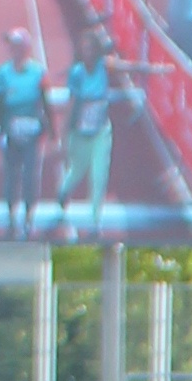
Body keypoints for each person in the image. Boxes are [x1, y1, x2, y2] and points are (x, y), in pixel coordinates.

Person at [0, 28, 50, 236]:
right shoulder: (2, 74)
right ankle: (11, 217)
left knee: (31, 175)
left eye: (19, 46)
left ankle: (29, 216)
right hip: (11, 132)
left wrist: (49, 128)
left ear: (27, 48)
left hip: (32, 131)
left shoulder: (38, 72)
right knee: (11, 175)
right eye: (12, 46)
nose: (16, 50)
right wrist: (0, 129)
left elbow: (45, 102)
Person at [57, 31, 117, 236]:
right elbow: (71, 104)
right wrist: (64, 135)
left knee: (99, 175)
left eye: (91, 48)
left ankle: (95, 219)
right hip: (80, 132)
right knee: (77, 171)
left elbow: (126, 66)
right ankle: (64, 191)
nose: (88, 53)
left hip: (101, 130)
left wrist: (152, 69)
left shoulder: (104, 66)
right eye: (84, 49)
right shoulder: (76, 73)